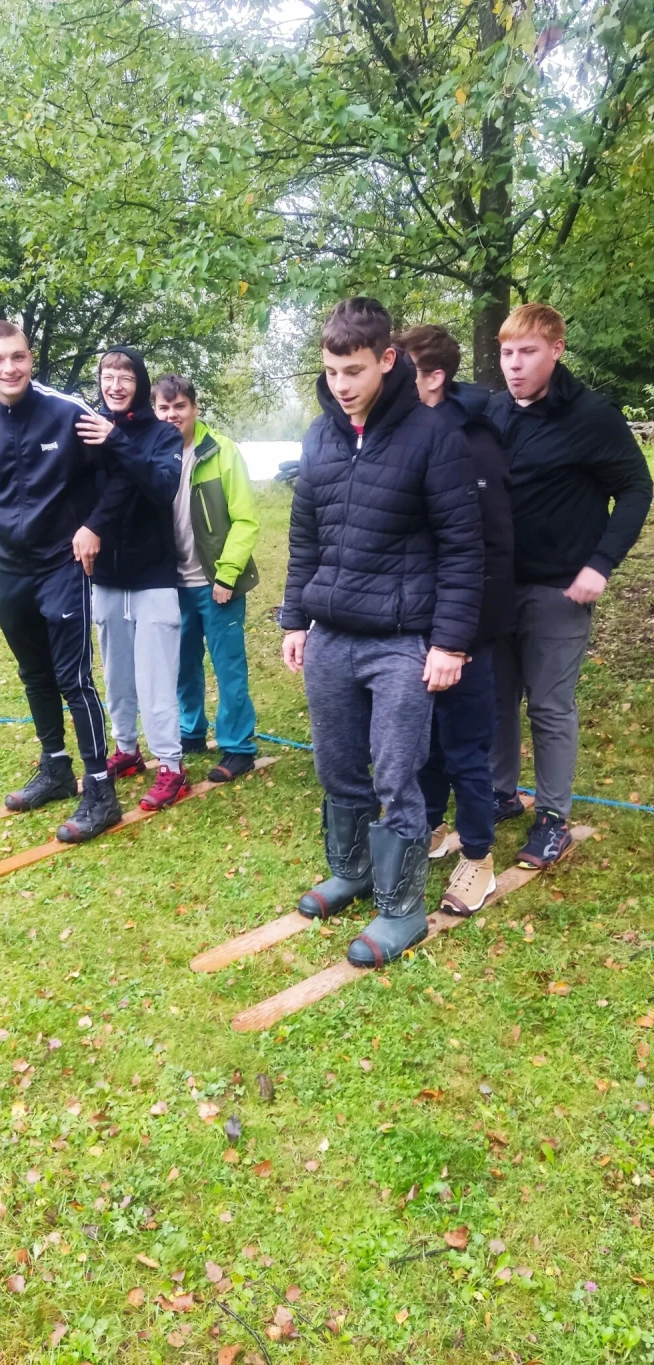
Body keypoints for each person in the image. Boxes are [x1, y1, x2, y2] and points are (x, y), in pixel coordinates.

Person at [281, 297, 484, 968]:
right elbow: (306, 535)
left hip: (403, 639)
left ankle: (402, 909)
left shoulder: (433, 437)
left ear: (387, 360)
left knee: (398, 774)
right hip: (331, 636)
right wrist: (293, 618)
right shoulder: (319, 435)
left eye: (355, 370)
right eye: (333, 370)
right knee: (338, 765)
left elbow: (463, 547)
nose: (342, 385)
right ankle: (352, 869)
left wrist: (450, 642)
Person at [486, 303, 653, 867]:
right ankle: (500, 794)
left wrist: (601, 563)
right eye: (507, 353)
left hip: (560, 589)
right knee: (498, 699)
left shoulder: (591, 417)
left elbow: (636, 489)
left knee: (550, 706)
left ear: (556, 350)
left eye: (527, 352)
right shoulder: (494, 412)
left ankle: (553, 817)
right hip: (498, 587)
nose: (514, 364)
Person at [0, 319, 123, 843]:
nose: (10, 368)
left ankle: (100, 791)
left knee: (75, 678)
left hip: (62, 565)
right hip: (9, 568)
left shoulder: (68, 411)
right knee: (34, 673)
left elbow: (116, 473)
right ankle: (54, 768)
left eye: (18, 357)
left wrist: (92, 526)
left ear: (30, 358)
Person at [396, 324, 514, 916]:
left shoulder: (473, 443)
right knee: (428, 743)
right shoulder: (409, 434)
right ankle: (437, 827)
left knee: (467, 747)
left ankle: (479, 858)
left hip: (466, 628)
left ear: (434, 377)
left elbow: (489, 549)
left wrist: (464, 638)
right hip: (419, 623)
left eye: (403, 371)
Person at [79, 345, 190, 810]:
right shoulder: (84, 429)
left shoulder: (161, 434)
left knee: (155, 677)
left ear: (140, 382)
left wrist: (116, 440)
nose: (116, 384)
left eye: (126, 375)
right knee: (117, 673)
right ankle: (126, 749)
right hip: (104, 576)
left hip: (153, 576)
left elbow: (161, 486)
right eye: (108, 374)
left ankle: (172, 767)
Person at [152, 374, 259, 782]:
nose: (171, 415)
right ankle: (190, 731)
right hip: (171, 585)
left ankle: (237, 747)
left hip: (217, 584)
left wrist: (227, 574)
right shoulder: (153, 454)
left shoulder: (222, 452)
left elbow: (246, 520)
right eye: (163, 408)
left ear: (194, 408)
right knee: (182, 665)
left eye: (179, 406)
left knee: (228, 665)